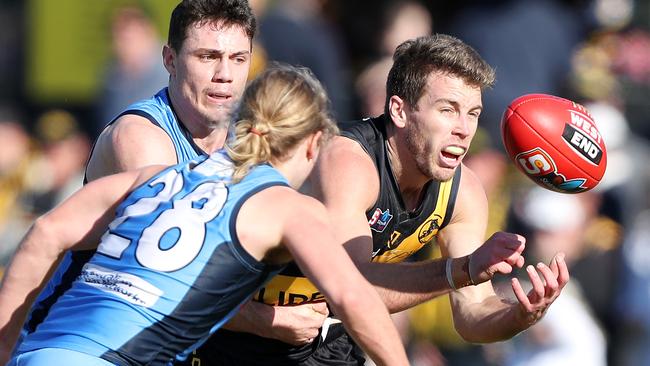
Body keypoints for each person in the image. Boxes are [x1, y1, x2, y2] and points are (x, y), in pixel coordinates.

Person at [196, 34, 570, 365]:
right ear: (399, 111)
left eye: (473, 113)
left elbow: (472, 313)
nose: (463, 129)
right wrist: (462, 269)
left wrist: (520, 315)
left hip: (331, 344)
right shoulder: (347, 162)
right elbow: (352, 288)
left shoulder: (462, 192)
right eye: (447, 110)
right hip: (236, 337)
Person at [0, 65, 409, 366]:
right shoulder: (289, 208)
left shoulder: (157, 175)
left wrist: (4, 345)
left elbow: (46, 231)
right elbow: (353, 296)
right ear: (315, 141)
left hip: (40, 351)